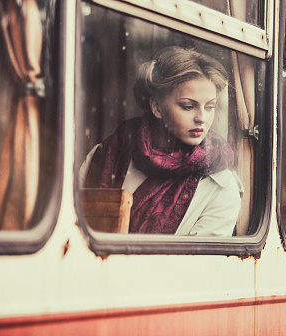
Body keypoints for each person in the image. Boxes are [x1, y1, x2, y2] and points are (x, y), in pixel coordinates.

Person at [80, 46, 242, 236]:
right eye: (188, 106)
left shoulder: (220, 184)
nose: (202, 118)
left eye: (210, 106)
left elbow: (197, 262)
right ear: (156, 107)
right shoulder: (107, 154)